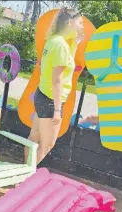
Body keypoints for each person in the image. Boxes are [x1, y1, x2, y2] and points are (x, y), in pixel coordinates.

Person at [25, 8, 85, 164]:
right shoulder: (60, 45)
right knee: (47, 145)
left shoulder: (54, 40)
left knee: (33, 138)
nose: (81, 27)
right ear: (69, 23)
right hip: (51, 100)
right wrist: (57, 111)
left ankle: (22, 171)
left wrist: (75, 45)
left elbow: (65, 62)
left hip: (42, 95)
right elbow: (57, 80)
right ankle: (24, 178)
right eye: (80, 22)